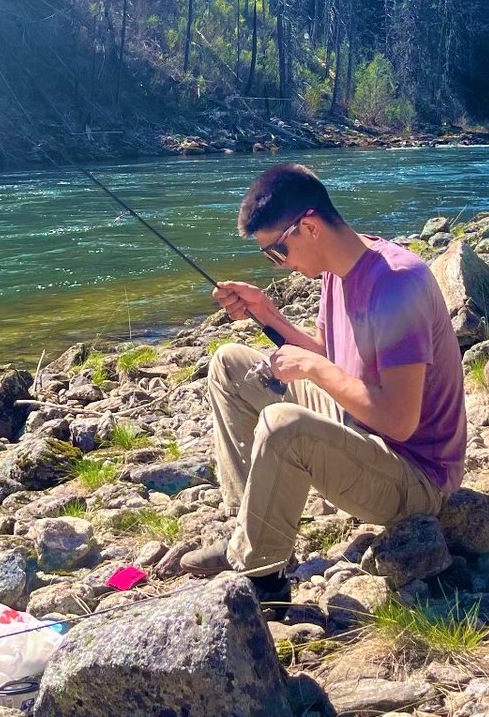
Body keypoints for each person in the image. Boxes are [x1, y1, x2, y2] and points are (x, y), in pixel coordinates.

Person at [179, 162, 466, 612]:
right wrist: (267, 313)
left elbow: (399, 420)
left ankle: (261, 578)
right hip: (363, 426)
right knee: (230, 364)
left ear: (308, 227)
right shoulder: (338, 268)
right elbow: (335, 358)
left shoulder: (395, 284)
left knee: (282, 424)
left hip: (415, 475)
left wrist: (312, 369)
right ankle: (250, 529)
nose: (280, 263)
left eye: (276, 251)